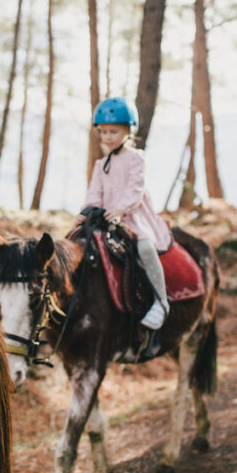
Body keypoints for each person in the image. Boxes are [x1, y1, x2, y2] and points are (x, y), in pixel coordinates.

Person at [75, 97, 171, 330]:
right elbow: (94, 194)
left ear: (128, 130)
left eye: (113, 132)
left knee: (145, 247)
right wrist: (85, 212)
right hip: (106, 218)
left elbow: (135, 189)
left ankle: (161, 301)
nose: (108, 137)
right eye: (104, 132)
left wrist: (120, 209)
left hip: (133, 216)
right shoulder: (101, 164)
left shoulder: (136, 158)